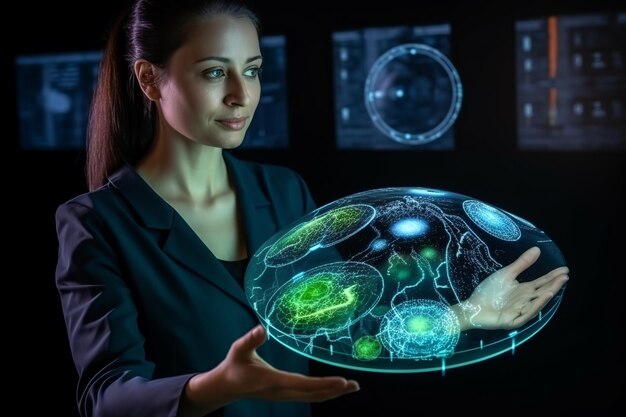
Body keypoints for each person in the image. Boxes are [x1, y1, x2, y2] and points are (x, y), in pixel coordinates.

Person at [54, 1, 569, 416]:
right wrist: (214, 387)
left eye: (251, 71)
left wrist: (465, 315)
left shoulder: (284, 192)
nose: (241, 96)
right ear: (149, 80)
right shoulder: (96, 222)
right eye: (214, 73)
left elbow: (342, 331)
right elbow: (105, 397)